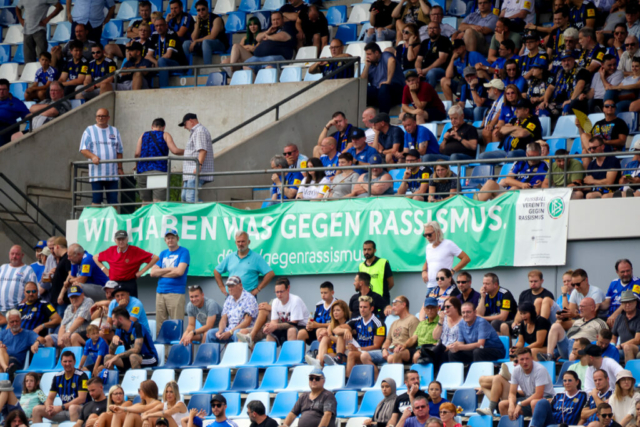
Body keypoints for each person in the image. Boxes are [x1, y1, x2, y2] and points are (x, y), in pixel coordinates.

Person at [239, 277, 308, 347]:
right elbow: (274, 322)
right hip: (284, 327)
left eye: (281, 291)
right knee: (270, 334)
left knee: (291, 330)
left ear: (288, 290)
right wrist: (269, 327)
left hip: (301, 327)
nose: (279, 294)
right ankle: (268, 357)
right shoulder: (275, 301)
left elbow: (293, 324)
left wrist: (275, 326)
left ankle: (291, 357)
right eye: (277, 292)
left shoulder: (295, 300)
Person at [328, 295, 385, 376]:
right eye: (360, 307)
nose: (362, 309)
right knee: (341, 334)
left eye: (365, 307)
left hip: (371, 353)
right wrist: (346, 330)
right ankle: (339, 357)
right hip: (358, 350)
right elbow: (335, 330)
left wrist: (358, 349)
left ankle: (348, 380)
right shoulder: (357, 320)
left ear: (371, 309)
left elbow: (376, 346)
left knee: (351, 354)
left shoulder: (379, 324)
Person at [538, 297, 608, 362]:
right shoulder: (577, 321)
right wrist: (559, 317)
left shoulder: (600, 323)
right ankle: (549, 355)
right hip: (568, 344)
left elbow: (604, 340)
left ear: (592, 308)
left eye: (582, 306)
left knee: (573, 354)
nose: (580, 308)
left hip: (581, 348)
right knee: (555, 326)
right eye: (579, 306)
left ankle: (564, 358)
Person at [79, 108, 123, 207]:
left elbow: (119, 151)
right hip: (96, 173)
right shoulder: (89, 130)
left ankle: (113, 221)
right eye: (98, 116)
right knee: (97, 199)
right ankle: (96, 221)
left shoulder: (114, 131)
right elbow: (83, 149)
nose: (100, 118)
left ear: (108, 117)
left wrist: (120, 168)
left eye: (103, 116)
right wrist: (93, 156)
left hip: (112, 173)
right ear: (95, 118)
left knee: (113, 200)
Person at [476, 142, 549, 202]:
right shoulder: (519, 162)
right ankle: (476, 207)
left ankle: (489, 206)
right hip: (507, 193)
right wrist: (522, 184)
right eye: (530, 156)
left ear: (540, 154)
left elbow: (552, 182)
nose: (533, 159)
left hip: (527, 196)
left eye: (535, 157)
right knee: (490, 183)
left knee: (515, 189)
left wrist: (542, 184)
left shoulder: (546, 166)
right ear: (526, 154)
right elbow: (508, 179)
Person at [149, 229, 190, 334]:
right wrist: (170, 269)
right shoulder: (163, 253)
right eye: (168, 238)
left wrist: (161, 272)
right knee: (160, 327)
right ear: (165, 240)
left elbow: (180, 272)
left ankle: (176, 351)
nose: (170, 240)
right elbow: (152, 273)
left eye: (172, 237)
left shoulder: (184, 252)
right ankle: (164, 351)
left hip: (175, 293)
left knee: (176, 326)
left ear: (178, 239)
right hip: (160, 293)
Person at [94, 230, 157, 298]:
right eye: (119, 239)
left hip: (129, 283)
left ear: (127, 240)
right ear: (115, 240)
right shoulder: (111, 250)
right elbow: (95, 257)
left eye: (123, 239)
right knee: (115, 306)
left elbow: (155, 258)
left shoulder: (135, 250)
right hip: (114, 283)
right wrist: (104, 269)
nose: (121, 241)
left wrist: (141, 272)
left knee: (132, 305)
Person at [134, 119, 184, 204]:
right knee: (158, 201)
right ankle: (157, 217)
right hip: (158, 170)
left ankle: (146, 217)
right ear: (163, 127)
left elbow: (137, 154)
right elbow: (175, 151)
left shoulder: (143, 135)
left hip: (142, 170)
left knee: (145, 202)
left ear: (152, 126)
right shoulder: (165, 135)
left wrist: (136, 165)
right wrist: (189, 151)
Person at [32, 350, 89, 423]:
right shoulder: (57, 377)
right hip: (64, 411)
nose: (67, 364)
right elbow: (50, 398)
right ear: (61, 362)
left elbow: (82, 399)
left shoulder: (82, 376)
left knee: (72, 407)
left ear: (74, 362)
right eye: (65, 361)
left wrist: (61, 407)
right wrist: (48, 407)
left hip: (80, 411)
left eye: (70, 361)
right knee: (37, 409)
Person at [214, 231, 274, 297]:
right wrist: (222, 288)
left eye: (243, 241)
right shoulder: (230, 257)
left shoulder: (256, 258)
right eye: (238, 242)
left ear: (249, 242)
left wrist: (258, 289)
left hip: (248, 297)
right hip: (231, 297)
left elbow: (270, 273)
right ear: (235, 243)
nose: (240, 244)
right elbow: (216, 271)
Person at [205, 276, 258, 344]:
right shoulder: (229, 299)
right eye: (228, 286)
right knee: (210, 334)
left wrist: (230, 332)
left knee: (237, 333)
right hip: (229, 330)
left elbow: (247, 322)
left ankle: (237, 355)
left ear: (240, 286)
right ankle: (210, 355)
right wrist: (220, 331)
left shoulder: (249, 298)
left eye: (232, 286)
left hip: (244, 330)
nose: (229, 289)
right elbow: (223, 318)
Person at [103, 306, 158, 371]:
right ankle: (112, 380)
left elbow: (136, 350)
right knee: (107, 357)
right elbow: (111, 352)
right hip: (130, 357)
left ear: (120, 319)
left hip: (149, 357)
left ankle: (136, 380)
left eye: (114, 321)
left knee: (133, 357)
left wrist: (117, 356)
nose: (113, 324)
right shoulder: (119, 329)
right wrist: (113, 340)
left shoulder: (138, 327)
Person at [538, 52, 591, 118]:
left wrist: (570, 100)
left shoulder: (582, 71)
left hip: (575, 102)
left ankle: (564, 127)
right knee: (542, 108)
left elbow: (580, 86)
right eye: (564, 61)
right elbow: (550, 88)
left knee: (567, 107)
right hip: (557, 103)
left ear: (573, 60)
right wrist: (545, 101)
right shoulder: (560, 72)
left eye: (568, 60)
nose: (566, 63)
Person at [421, 220, 470, 290]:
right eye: (425, 235)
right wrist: (424, 271)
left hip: (445, 286)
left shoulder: (448, 244)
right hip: (430, 286)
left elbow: (466, 258)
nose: (427, 237)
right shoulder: (428, 247)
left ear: (438, 232)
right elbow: (428, 261)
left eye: (429, 234)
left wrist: (453, 271)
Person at [177, 112, 214, 203]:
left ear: (191, 121)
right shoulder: (196, 132)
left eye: (185, 124)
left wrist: (198, 166)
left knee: (190, 199)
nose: (185, 127)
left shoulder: (199, 131)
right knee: (185, 197)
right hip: (190, 173)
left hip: (194, 172)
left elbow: (202, 150)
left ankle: (205, 213)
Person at [362, 42, 405, 114]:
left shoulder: (384, 55)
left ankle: (383, 117)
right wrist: (366, 66)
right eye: (366, 54)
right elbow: (362, 83)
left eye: (369, 54)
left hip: (395, 91)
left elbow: (392, 61)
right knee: (364, 90)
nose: (367, 57)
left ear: (376, 53)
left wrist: (388, 80)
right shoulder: (370, 64)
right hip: (380, 94)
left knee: (384, 87)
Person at [377, 296, 419, 365]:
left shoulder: (413, 320)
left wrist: (402, 346)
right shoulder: (394, 323)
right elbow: (387, 341)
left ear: (403, 304)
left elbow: (414, 341)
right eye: (392, 306)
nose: (393, 308)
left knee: (391, 358)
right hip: (390, 351)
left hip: (403, 350)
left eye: (395, 305)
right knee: (365, 356)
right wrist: (384, 349)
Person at [146, 17, 188, 88]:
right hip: (161, 64)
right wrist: (156, 62)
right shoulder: (154, 35)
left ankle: (163, 88)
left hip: (177, 65)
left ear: (166, 26)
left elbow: (168, 55)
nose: (159, 28)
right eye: (157, 26)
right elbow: (148, 56)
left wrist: (158, 62)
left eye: (161, 25)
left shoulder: (172, 34)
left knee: (161, 60)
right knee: (146, 63)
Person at [182, 0, 227, 65]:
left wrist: (197, 41)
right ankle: (187, 67)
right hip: (202, 43)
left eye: (203, 9)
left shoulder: (216, 19)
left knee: (206, 42)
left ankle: (207, 67)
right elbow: (193, 38)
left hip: (219, 43)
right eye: (198, 10)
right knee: (186, 44)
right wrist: (197, 23)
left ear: (207, 9)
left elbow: (212, 36)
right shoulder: (198, 21)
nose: (201, 12)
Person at [308, 300, 350, 368]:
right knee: (324, 339)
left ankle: (318, 362)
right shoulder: (332, 324)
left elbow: (342, 341)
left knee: (321, 355)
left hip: (344, 354)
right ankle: (319, 361)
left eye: (338, 310)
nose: (335, 313)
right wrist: (321, 336)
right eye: (333, 311)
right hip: (333, 352)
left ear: (344, 312)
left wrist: (330, 336)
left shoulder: (349, 324)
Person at [0, 246, 38, 315]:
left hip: (18, 311)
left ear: (22, 255)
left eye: (17, 254)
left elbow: (35, 291)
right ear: (9, 254)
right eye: (12, 254)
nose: (14, 256)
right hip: (1, 311)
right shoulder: (2, 268)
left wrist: (23, 305)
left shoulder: (28, 270)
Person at [0, 310, 39, 377]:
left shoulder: (28, 334)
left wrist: (37, 342)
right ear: (8, 323)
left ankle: (5, 374)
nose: (15, 324)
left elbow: (42, 339)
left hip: (16, 361)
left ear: (20, 321)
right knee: (1, 348)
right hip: (4, 360)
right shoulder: (3, 333)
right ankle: (6, 369)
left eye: (17, 321)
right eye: (12, 322)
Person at [402, 298, 439, 364]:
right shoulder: (421, 323)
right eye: (427, 308)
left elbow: (440, 343)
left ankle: (416, 374)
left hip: (431, 349)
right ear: (424, 309)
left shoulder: (441, 322)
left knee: (417, 356)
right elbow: (413, 338)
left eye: (432, 308)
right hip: (419, 348)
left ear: (437, 308)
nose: (430, 310)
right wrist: (404, 345)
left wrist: (424, 349)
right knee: (398, 353)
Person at [415, 23, 453, 89]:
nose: (432, 30)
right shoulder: (424, 42)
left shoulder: (444, 40)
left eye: (434, 28)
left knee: (431, 73)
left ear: (440, 30)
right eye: (430, 28)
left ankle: (429, 95)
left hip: (440, 69)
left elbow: (442, 59)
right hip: (423, 69)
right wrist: (418, 69)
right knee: (406, 73)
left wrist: (426, 70)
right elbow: (419, 59)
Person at [602, 259, 640, 323]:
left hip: (626, 318)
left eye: (628, 271)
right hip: (610, 317)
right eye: (622, 272)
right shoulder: (614, 283)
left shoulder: (637, 283)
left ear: (632, 269)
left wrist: (614, 315)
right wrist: (596, 306)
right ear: (617, 272)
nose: (626, 274)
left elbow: (630, 302)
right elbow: (607, 302)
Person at [359, 240, 394, 305]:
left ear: (375, 250)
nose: (366, 252)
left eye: (369, 249)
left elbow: (391, 283)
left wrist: (383, 292)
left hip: (381, 301)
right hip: (366, 303)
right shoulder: (361, 266)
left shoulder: (383, 263)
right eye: (365, 249)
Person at [610, 290, 640, 363]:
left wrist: (620, 346)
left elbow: (637, 340)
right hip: (621, 349)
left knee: (627, 347)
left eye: (630, 302)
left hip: (637, 347)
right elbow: (613, 338)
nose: (627, 305)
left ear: (635, 302)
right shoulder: (620, 317)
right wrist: (612, 347)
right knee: (606, 353)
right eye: (624, 303)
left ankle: (629, 373)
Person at [0, 79, 30, 147]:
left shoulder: (16, 103)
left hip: (7, 127)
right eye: (0, 89)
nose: (1, 92)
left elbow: (27, 115)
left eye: (4, 89)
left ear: (8, 90)